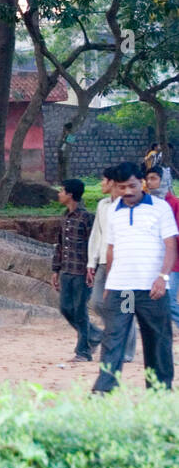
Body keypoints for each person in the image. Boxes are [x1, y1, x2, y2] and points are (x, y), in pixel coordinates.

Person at [92, 161, 179, 393]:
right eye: (121, 187)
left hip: (151, 289)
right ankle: (104, 390)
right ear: (115, 187)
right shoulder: (112, 210)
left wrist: (163, 277)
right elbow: (111, 249)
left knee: (157, 340)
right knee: (114, 339)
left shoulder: (160, 208)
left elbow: (170, 245)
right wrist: (109, 283)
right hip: (123, 290)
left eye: (131, 186)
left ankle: (160, 390)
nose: (127, 192)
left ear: (141, 182)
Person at [88, 166, 134, 363]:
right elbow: (97, 235)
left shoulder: (129, 206)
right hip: (104, 263)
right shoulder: (103, 205)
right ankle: (115, 331)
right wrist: (92, 262)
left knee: (126, 306)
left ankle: (127, 351)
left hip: (125, 265)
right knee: (96, 302)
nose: (101, 184)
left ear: (113, 183)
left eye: (103, 180)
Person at [52, 179, 100, 361]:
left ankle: (83, 352)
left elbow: (93, 245)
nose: (59, 194)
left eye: (61, 191)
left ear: (70, 194)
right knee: (65, 308)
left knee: (80, 311)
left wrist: (92, 269)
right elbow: (60, 245)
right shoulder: (64, 217)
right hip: (66, 271)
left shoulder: (86, 218)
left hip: (81, 271)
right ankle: (94, 335)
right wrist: (55, 270)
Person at [145, 167, 179, 334]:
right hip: (147, 263)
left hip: (171, 263)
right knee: (128, 309)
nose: (150, 182)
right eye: (148, 179)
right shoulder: (144, 204)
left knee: (168, 300)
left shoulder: (173, 204)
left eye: (154, 178)